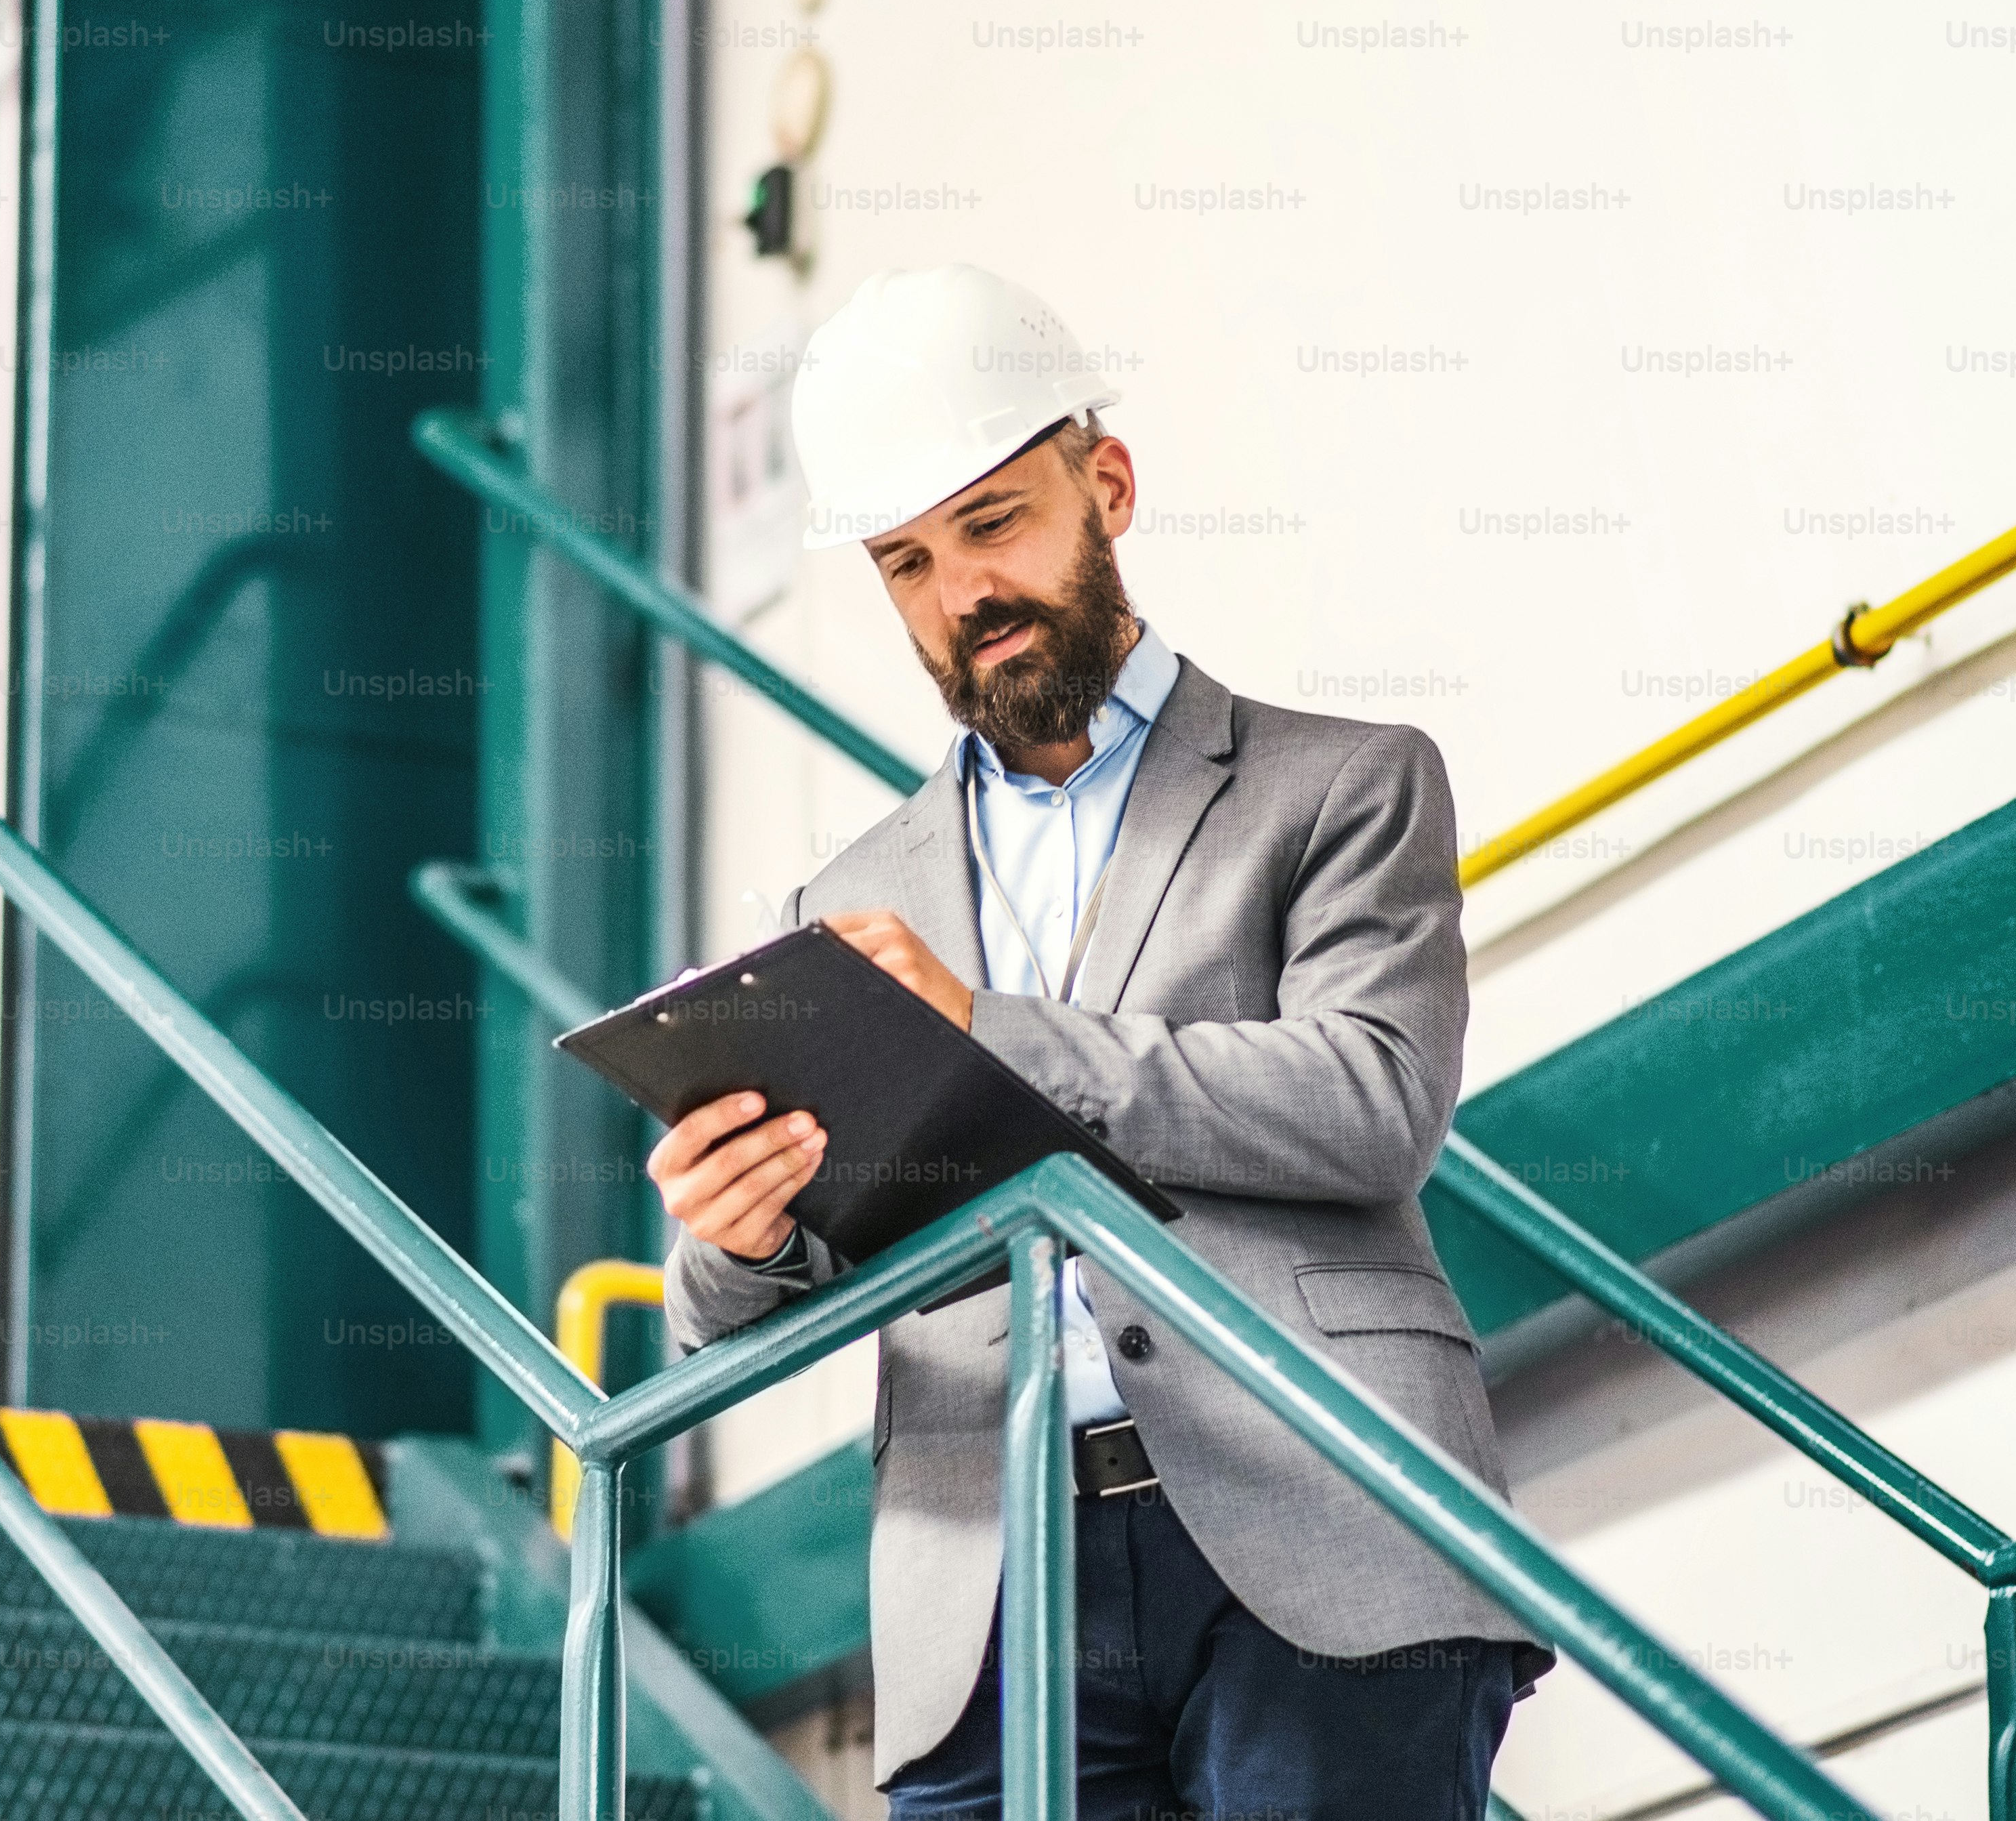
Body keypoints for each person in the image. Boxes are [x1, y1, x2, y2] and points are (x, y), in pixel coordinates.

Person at [651, 265, 1550, 1820]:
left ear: (1105, 485)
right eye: (905, 562)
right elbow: (744, 1294)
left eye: (991, 523)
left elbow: (1372, 1100)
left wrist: (986, 1032)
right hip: (985, 1588)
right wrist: (733, 1240)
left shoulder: (1340, 786)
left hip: (1321, 1523)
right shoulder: (838, 902)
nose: (958, 597)